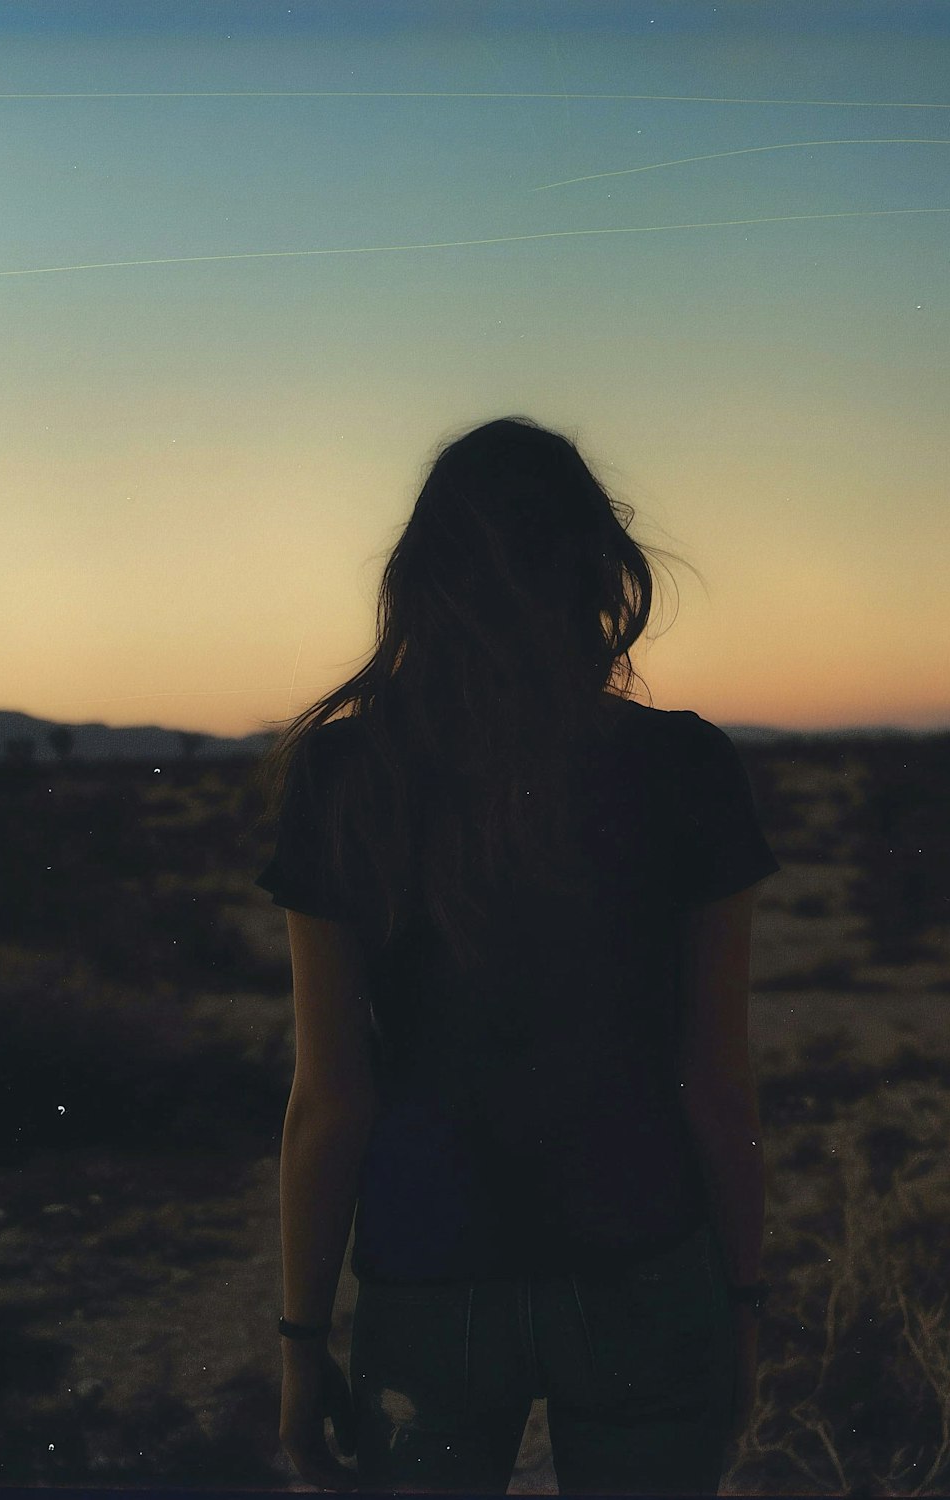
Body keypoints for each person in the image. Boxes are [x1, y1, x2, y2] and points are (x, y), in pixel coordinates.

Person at [253, 415, 781, 1494]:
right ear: (596, 572)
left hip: (429, 1280)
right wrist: (742, 1304)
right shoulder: (686, 766)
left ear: (422, 583)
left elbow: (330, 1100)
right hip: (644, 1258)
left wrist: (300, 1343)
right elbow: (719, 1084)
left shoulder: (345, 774)